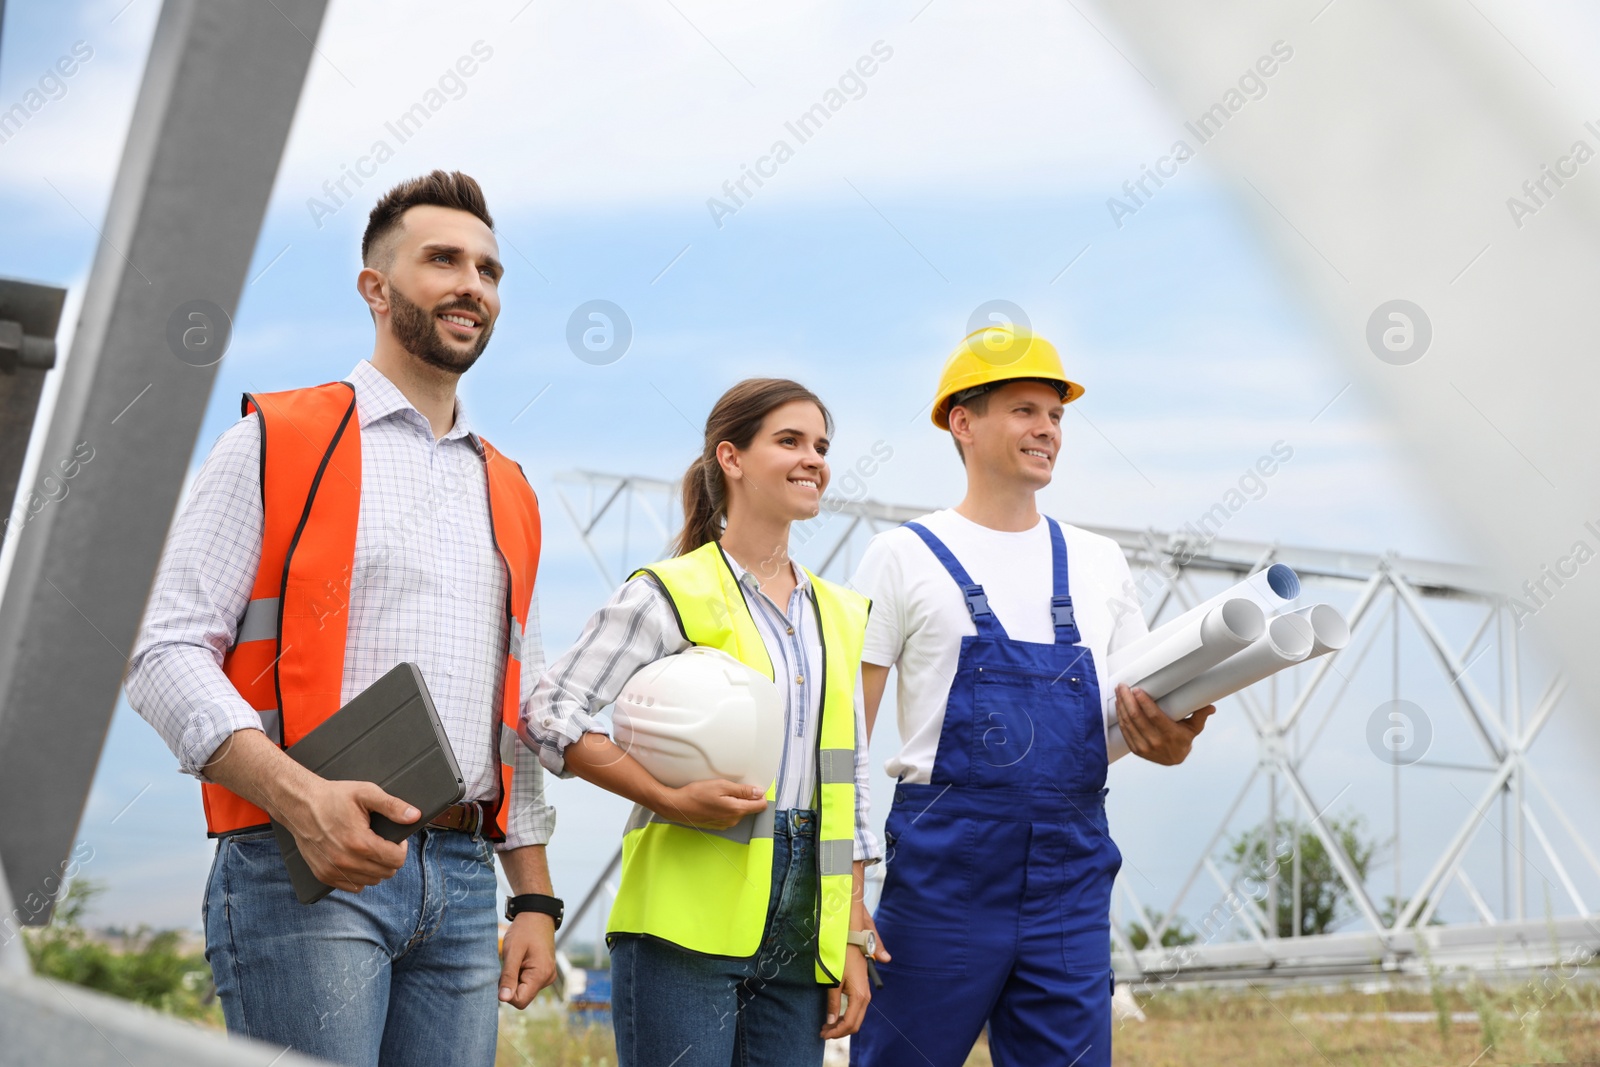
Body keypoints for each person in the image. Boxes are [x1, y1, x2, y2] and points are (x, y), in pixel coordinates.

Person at [126, 170, 561, 1066]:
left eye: (488, 268)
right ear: (376, 286)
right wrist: (302, 798)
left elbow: (514, 711)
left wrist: (534, 898)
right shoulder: (275, 437)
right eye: (443, 259)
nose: (472, 284)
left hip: (464, 879)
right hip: (302, 870)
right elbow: (162, 650)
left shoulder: (509, 487)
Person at [847, 325, 1215, 1067]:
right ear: (962, 420)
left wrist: (1178, 733)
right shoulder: (901, 557)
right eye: (1024, 409)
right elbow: (844, 739)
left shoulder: (1100, 561)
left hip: (1070, 880)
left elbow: (1145, 730)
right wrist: (846, 897)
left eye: (1055, 415)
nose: (1047, 428)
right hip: (941, 879)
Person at [523, 378, 888, 1067]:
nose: (813, 458)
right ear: (732, 457)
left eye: (821, 445)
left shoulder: (839, 614)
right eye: (790, 440)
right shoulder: (669, 591)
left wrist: (850, 932)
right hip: (679, 933)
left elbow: (847, 784)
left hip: (802, 929)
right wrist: (666, 797)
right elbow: (548, 713)